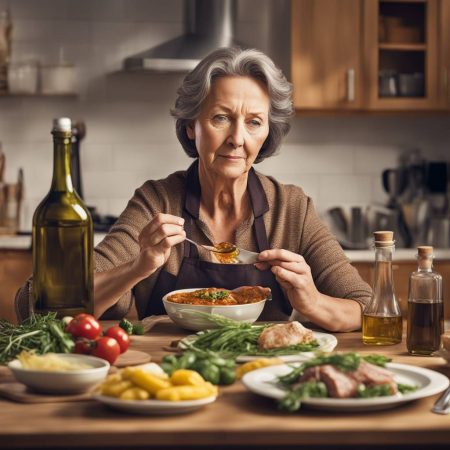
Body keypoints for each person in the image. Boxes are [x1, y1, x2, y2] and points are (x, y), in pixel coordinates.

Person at [16, 47, 371, 331]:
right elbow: (34, 303)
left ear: (266, 135)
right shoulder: (156, 202)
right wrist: (138, 267)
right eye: (220, 118)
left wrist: (312, 302)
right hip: (170, 377)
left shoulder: (291, 208)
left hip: (265, 381)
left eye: (253, 123)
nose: (236, 138)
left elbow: (370, 309)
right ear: (190, 127)